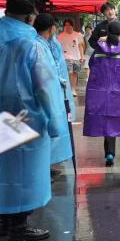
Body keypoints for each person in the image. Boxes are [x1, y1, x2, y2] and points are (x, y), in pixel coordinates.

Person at [0, 0, 64, 241]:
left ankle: (5, 223)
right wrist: (55, 123)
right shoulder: (30, 45)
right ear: (30, 17)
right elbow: (45, 87)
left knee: (1, 171)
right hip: (25, 118)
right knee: (25, 173)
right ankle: (19, 226)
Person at [84, 21, 120, 166]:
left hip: (103, 93)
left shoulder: (98, 50)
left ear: (107, 33)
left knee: (108, 122)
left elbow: (91, 66)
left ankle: (109, 154)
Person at [33, 13, 74, 176]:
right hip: (44, 95)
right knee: (44, 132)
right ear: (51, 28)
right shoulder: (38, 46)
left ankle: (46, 166)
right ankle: (42, 170)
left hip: (49, 92)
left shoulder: (43, 44)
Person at [57, 19, 85, 97]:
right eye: (65, 25)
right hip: (66, 57)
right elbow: (59, 48)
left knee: (75, 73)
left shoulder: (78, 34)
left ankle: (73, 89)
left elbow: (80, 46)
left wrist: (82, 57)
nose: (67, 26)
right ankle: (69, 89)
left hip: (77, 57)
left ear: (72, 25)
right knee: (70, 72)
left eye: (69, 25)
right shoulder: (60, 36)